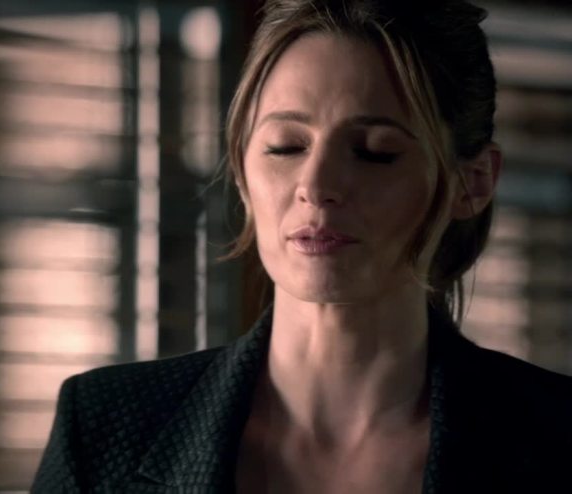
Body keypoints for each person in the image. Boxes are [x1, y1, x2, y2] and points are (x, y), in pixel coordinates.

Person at [31, 0, 572, 492]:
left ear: (472, 182)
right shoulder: (104, 429)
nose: (316, 185)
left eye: (375, 151)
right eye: (286, 146)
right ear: (241, 169)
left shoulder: (556, 438)